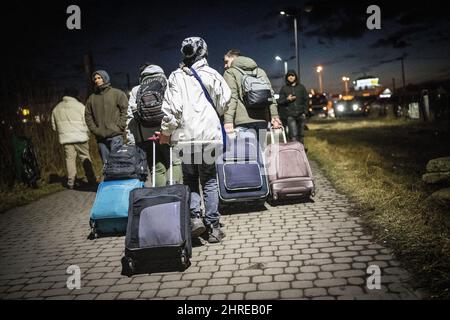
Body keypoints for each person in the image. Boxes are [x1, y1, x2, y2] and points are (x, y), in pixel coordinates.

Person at [158, 37, 231, 243]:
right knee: (209, 180)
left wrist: (165, 131)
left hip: (185, 137)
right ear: (204, 51)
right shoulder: (213, 75)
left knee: (190, 180)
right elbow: (224, 102)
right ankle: (214, 228)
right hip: (209, 136)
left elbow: (171, 110)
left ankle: (195, 219)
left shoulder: (175, 77)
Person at [127, 63, 182, 187]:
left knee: (156, 168)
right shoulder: (168, 84)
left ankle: (160, 199)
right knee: (175, 163)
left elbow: (130, 116)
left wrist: (132, 140)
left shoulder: (137, 90)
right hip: (169, 133)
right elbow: (177, 109)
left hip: (147, 136)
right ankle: (176, 195)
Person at [222, 50, 282, 146]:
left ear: (234, 59)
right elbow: (270, 95)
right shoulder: (260, 71)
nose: (225, 65)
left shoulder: (230, 72)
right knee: (261, 154)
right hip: (262, 120)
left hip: (242, 122)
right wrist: (275, 116)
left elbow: (231, 98)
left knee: (246, 156)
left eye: (226, 61)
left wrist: (228, 121)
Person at [51, 88, 97, 189]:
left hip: (66, 139)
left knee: (70, 159)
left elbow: (54, 127)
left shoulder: (56, 108)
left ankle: (71, 182)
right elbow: (87, 122)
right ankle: (91, 180)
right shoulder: (80, 106)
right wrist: (87, 133)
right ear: (75, 95)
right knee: (85, 157)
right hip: (80, 137)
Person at [85, 70, 128, 164]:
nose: (97, 80)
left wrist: (120, 126)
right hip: (101, 138)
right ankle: (108, 179)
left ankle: (121, 179)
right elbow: (88, 116)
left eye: (99, 78)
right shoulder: (92, 98)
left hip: (115, 135)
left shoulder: (117, 93)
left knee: (119, 163)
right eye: (95, 79)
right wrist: (95, 130)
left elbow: (125, 110)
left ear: (105, 78)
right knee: (106, 165)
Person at [277, 70, 309, 143]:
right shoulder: (284, 88)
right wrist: (287, 99)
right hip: (290, 115)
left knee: (301, 135)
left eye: (292, 75)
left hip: (301, 114)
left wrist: (305, 112)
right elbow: (279, 101)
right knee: (293, 135)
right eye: (289, 76)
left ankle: (301, 151)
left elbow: (306, 99)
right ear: (287, 78)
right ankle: (295, 151)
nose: (291, 77)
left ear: (295, 77)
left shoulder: (301, 87)